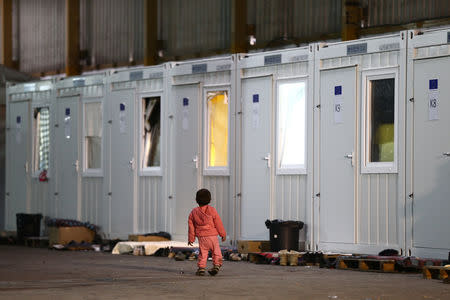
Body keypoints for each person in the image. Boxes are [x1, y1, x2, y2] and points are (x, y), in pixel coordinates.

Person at [188, 188, 226, 276]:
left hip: (202, 237)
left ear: (196, 200)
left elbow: (191, 226)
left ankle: (201, 268)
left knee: (203, 252)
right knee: (216, 251)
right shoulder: (212, 210)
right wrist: (223, 234)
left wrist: (191, 238)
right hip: (212, 236)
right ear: (210, 200)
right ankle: (216, 265)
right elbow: (218, 223)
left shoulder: (193, 212)